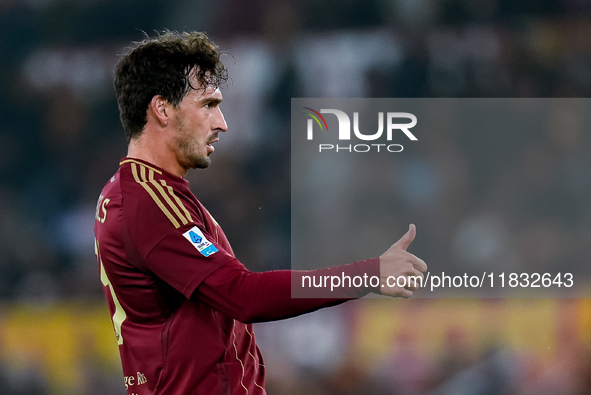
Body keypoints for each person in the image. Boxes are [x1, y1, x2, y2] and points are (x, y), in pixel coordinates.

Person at [94, 30, 428, 395]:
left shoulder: (143, 192)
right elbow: (242, 295)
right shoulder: (147, 202)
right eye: (208, 105)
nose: (221, 123)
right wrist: (368, 273)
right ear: (162, 109)